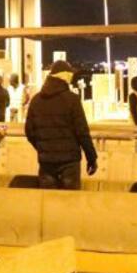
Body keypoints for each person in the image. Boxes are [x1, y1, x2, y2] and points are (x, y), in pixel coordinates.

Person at [25, 60, 97, 190]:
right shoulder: (72, 100)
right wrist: (91, 157)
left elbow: (29, 132)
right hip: (70, 162)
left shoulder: (36, 100)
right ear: (65, 76)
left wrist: (43, 148)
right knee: (69, 200)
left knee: (47, 200)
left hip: (46, 163)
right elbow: (82, 132)